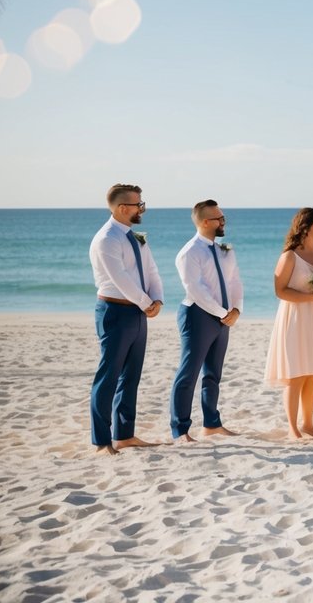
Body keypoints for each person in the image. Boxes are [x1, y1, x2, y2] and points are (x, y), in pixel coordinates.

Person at [88, 183, 163, 454]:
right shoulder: (107, 238)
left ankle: (125, 435)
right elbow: (120, 279)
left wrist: (158, 299)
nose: (142, 209)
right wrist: (146, 303)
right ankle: (101, 441)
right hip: (115, 312)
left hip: (137, 312)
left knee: (131, 376)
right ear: (122, 208)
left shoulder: (135, 236)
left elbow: (150, 269)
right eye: (138, 204)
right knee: (108, 376)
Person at [264, 208, 313, 440]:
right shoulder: (289, 256)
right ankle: (292, 427)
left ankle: (308, 423)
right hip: (296, 317)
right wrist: (312, 298)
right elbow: (280, 290)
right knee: (296, 373)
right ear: (306, 227)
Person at [170, 199, 243, 443]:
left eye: (223, 218)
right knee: (188, 373)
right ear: (204, 222)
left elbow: (234, 281)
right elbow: (196, 289)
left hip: (223, 316)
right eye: (218, 219)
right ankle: (180, 430)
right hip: (197, 315)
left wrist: (236, 309)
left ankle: (211, 424)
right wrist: (222, 313)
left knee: (213, 373)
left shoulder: (226, 249)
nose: (223, 222)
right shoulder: (189, 252)